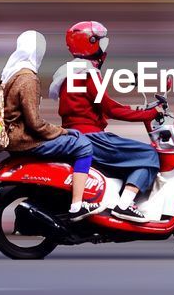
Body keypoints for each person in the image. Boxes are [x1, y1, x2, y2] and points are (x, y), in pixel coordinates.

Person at [49, 21, 161, 222]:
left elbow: (96, 107)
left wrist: (135, 109)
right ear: (90, 43)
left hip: (75, 135)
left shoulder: (67, 74)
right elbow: (110, 109)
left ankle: (119, 201)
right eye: (100, 42)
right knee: (149, 154)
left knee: (135, 158)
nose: (103, 47)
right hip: (93, 138)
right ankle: (125, 205)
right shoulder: (88, 73)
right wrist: (149, 114)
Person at [0, 30, 96, 221]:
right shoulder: (28, 79)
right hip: (25, 140)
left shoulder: (10, 75)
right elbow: (35, 124)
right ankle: (78, 205)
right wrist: (63, 131)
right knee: (83, 145)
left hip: (13, 138)